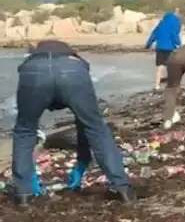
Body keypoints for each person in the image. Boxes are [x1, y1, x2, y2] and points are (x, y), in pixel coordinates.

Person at [12, 40, 137, 206]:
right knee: (96, 128)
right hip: (73, 72)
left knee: (24, 131)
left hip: (34, 73)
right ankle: (122, 188)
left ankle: (24, 194)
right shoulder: (73, 58)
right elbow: (83, 126)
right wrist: (82, 161)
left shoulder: (33, 59)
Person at [145, 8, 182, 91]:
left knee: (160, 67)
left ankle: (157, 86)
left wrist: (148, 44)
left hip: (160, 48)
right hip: (170, 48)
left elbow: (153, 35)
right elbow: (174, 35)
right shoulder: (173, 24)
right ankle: (171, 85)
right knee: (171, 66)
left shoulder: (161, 24)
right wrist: (178, 43)